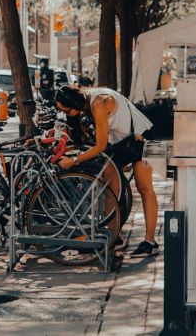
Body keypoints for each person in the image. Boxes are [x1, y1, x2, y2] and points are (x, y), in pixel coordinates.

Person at [54, 85, 160, 258]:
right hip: (122, 141)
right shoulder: (86, 100)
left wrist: (74, 160)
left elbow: (100, 146)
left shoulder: (98, 104)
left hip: (142, 137)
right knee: (110, 189)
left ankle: (150, 242)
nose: (64, 113)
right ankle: (113, 237)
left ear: (74, 105)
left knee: (145, 188)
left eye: (65, 110)